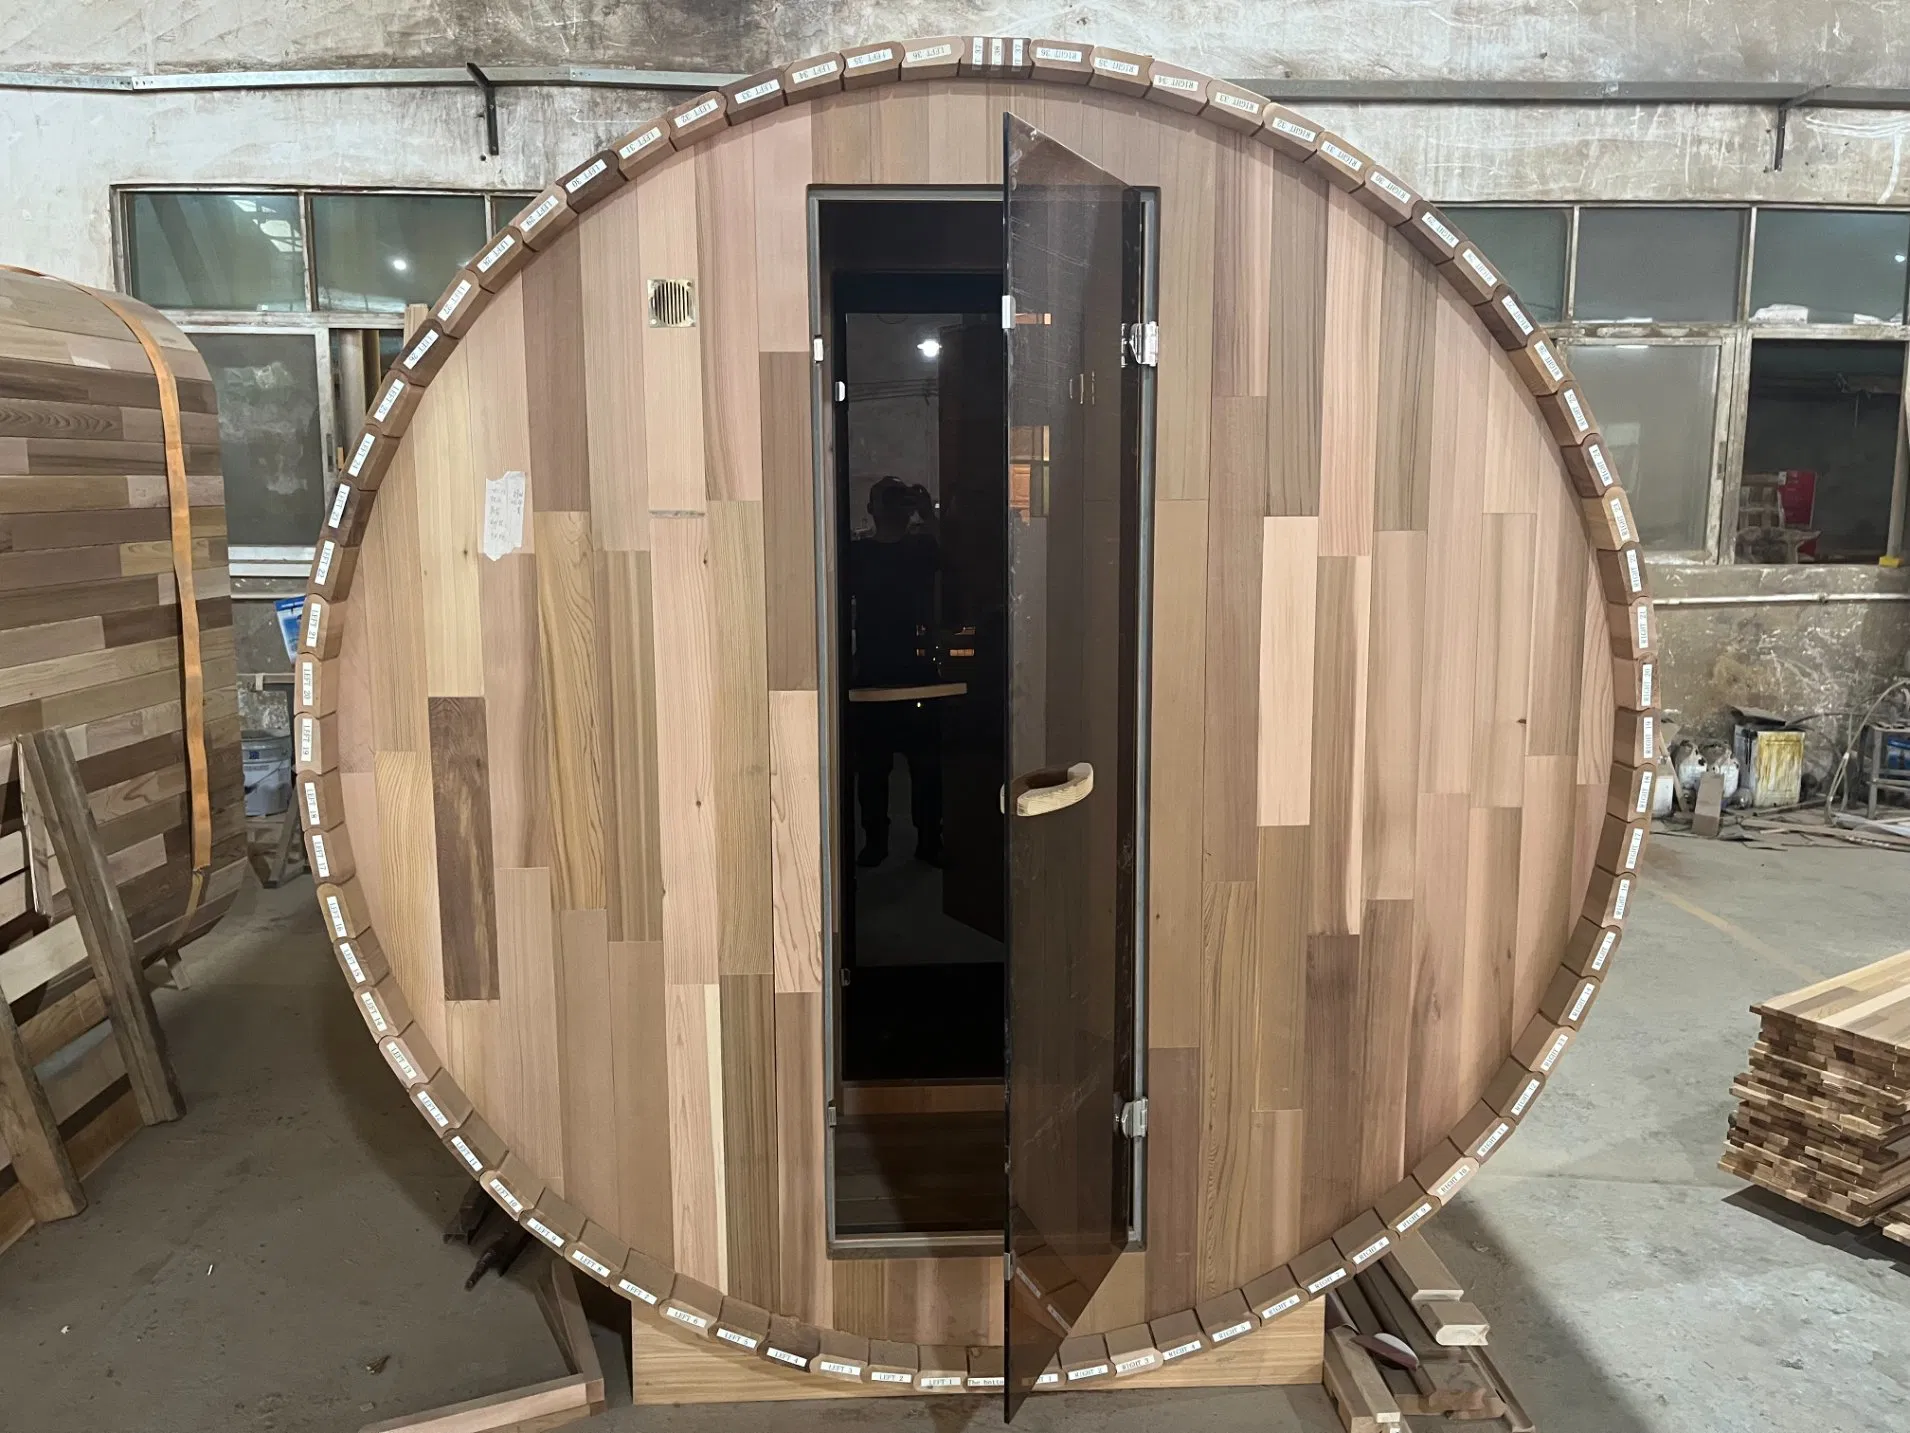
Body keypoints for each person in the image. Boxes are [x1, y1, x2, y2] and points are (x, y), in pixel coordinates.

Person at [848, 476, 943, 867]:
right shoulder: (858, 554)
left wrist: (927, 513)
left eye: (897, 500)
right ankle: (877, 840)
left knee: (926, 767)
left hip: (914, 667)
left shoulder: (920, 548)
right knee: (873, 768)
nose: (893, 507)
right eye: (890, 499)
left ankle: (928, 839)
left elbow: (957, 560)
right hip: (877, 669)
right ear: (872, 509)